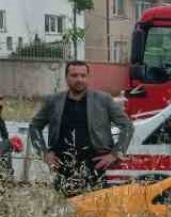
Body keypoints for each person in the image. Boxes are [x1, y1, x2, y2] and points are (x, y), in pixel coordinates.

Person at [28, 61, 134, 196]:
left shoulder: (103, 100)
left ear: (88, 77)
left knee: (94, 210)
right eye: (74, 75)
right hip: (63, 166)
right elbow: (34, 126)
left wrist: (115, 154)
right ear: (66, 77)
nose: (79, 79)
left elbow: (127, 126)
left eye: (83, 76)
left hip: (95, 166)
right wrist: (44, 153)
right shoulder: (54, 101)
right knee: (64, 209)